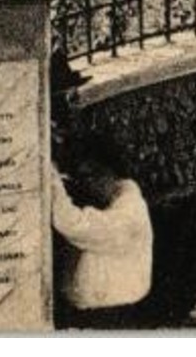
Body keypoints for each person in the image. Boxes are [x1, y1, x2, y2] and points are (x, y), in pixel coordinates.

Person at [50, 136, 153, 329]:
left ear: (107, 173)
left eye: (89, 176)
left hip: (109, 318)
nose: (85, 184)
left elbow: (72, 224)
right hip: (94, 316)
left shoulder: (128, 214)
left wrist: (51, 177)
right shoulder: (114, 204)